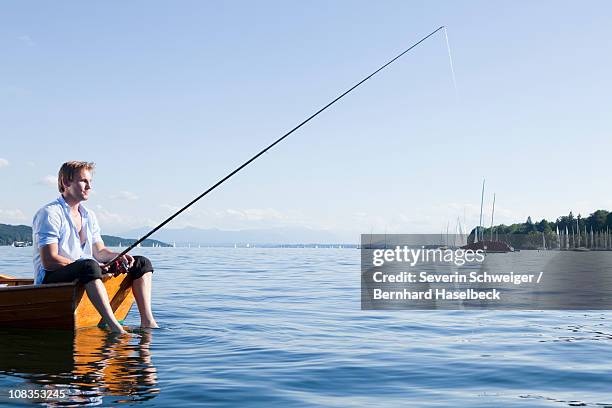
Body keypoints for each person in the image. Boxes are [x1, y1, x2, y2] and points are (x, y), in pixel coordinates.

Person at [32, 161, 158, 333]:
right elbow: (49, 261)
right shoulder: (50, 213)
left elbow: (99, 252)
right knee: (89, 265)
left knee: (141, 263)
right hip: (51, 277)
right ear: (66, 182)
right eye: (83, 181)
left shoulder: (89, 216)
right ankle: (115, 327)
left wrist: (118, 256)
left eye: (90, 182)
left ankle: (148, 322)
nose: (89, 186)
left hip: (85, 270)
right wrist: (92, 266)